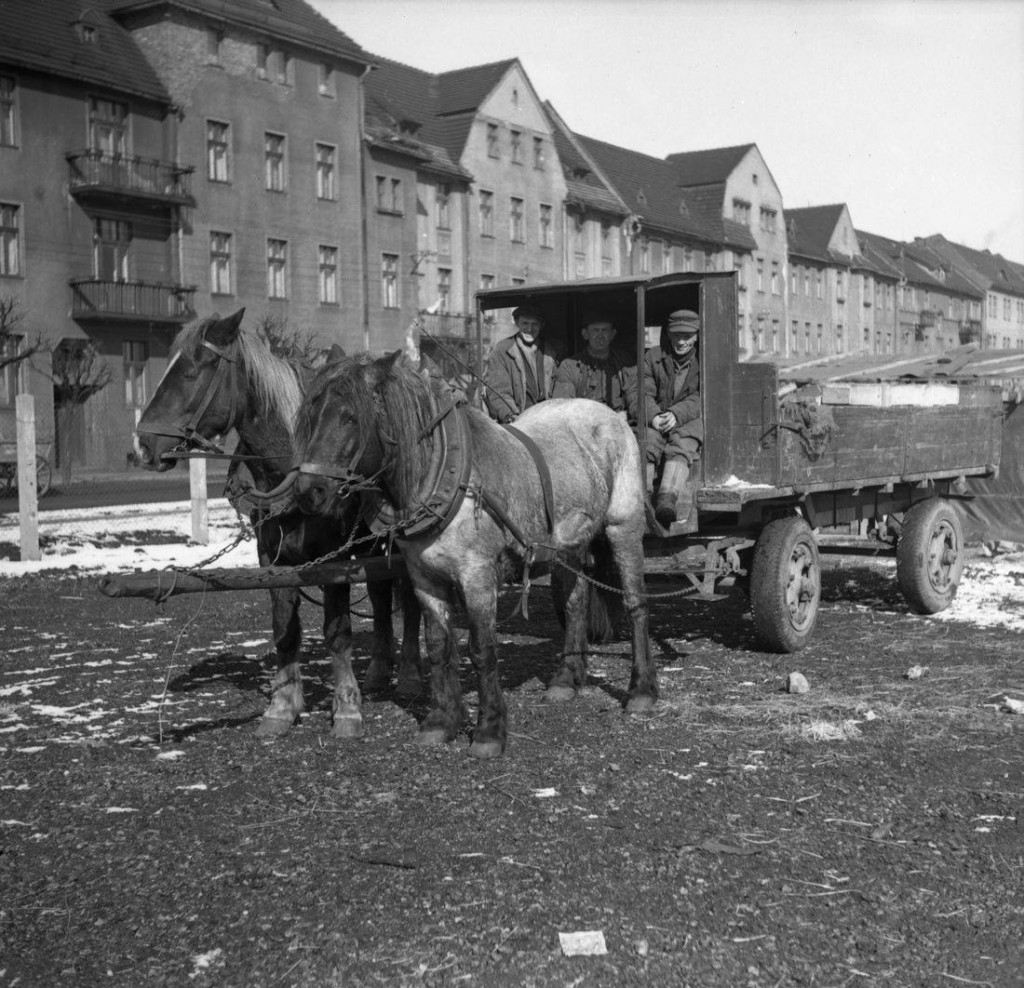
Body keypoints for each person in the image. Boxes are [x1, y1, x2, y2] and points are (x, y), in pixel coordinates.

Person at [628, 308, 703, 528]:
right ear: (669, 334)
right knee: (647, 440)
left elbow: (704, 396)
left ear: (696, 336)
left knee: (684, 442)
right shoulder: (653, 357)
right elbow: (639, 392)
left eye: (687, 336)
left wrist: (677, 414)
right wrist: (652, 417)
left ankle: (666, 500)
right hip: (657, 419)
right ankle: (643, 499)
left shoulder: (704, 360)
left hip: (687, 422)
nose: (681, 342)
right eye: (677, 336)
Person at [484, 304, 562, 424]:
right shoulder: (502, 350)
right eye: (525, 323)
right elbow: (498, 391)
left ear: (541, 325)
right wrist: (511, 416)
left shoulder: (553, 351)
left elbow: (561, 387)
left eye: (534, 324)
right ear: (516, 323)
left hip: (549, 420)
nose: (529, 328)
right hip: (518, 421)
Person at [551, 314, 633, 413]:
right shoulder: (569, 366)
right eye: (595, 330)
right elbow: (563, 407)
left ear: (612, 334)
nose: (600, 336)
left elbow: (635, 395)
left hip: (618, 420)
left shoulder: (625, 363)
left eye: (605, 330)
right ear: (585, 334)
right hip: (584, 423)